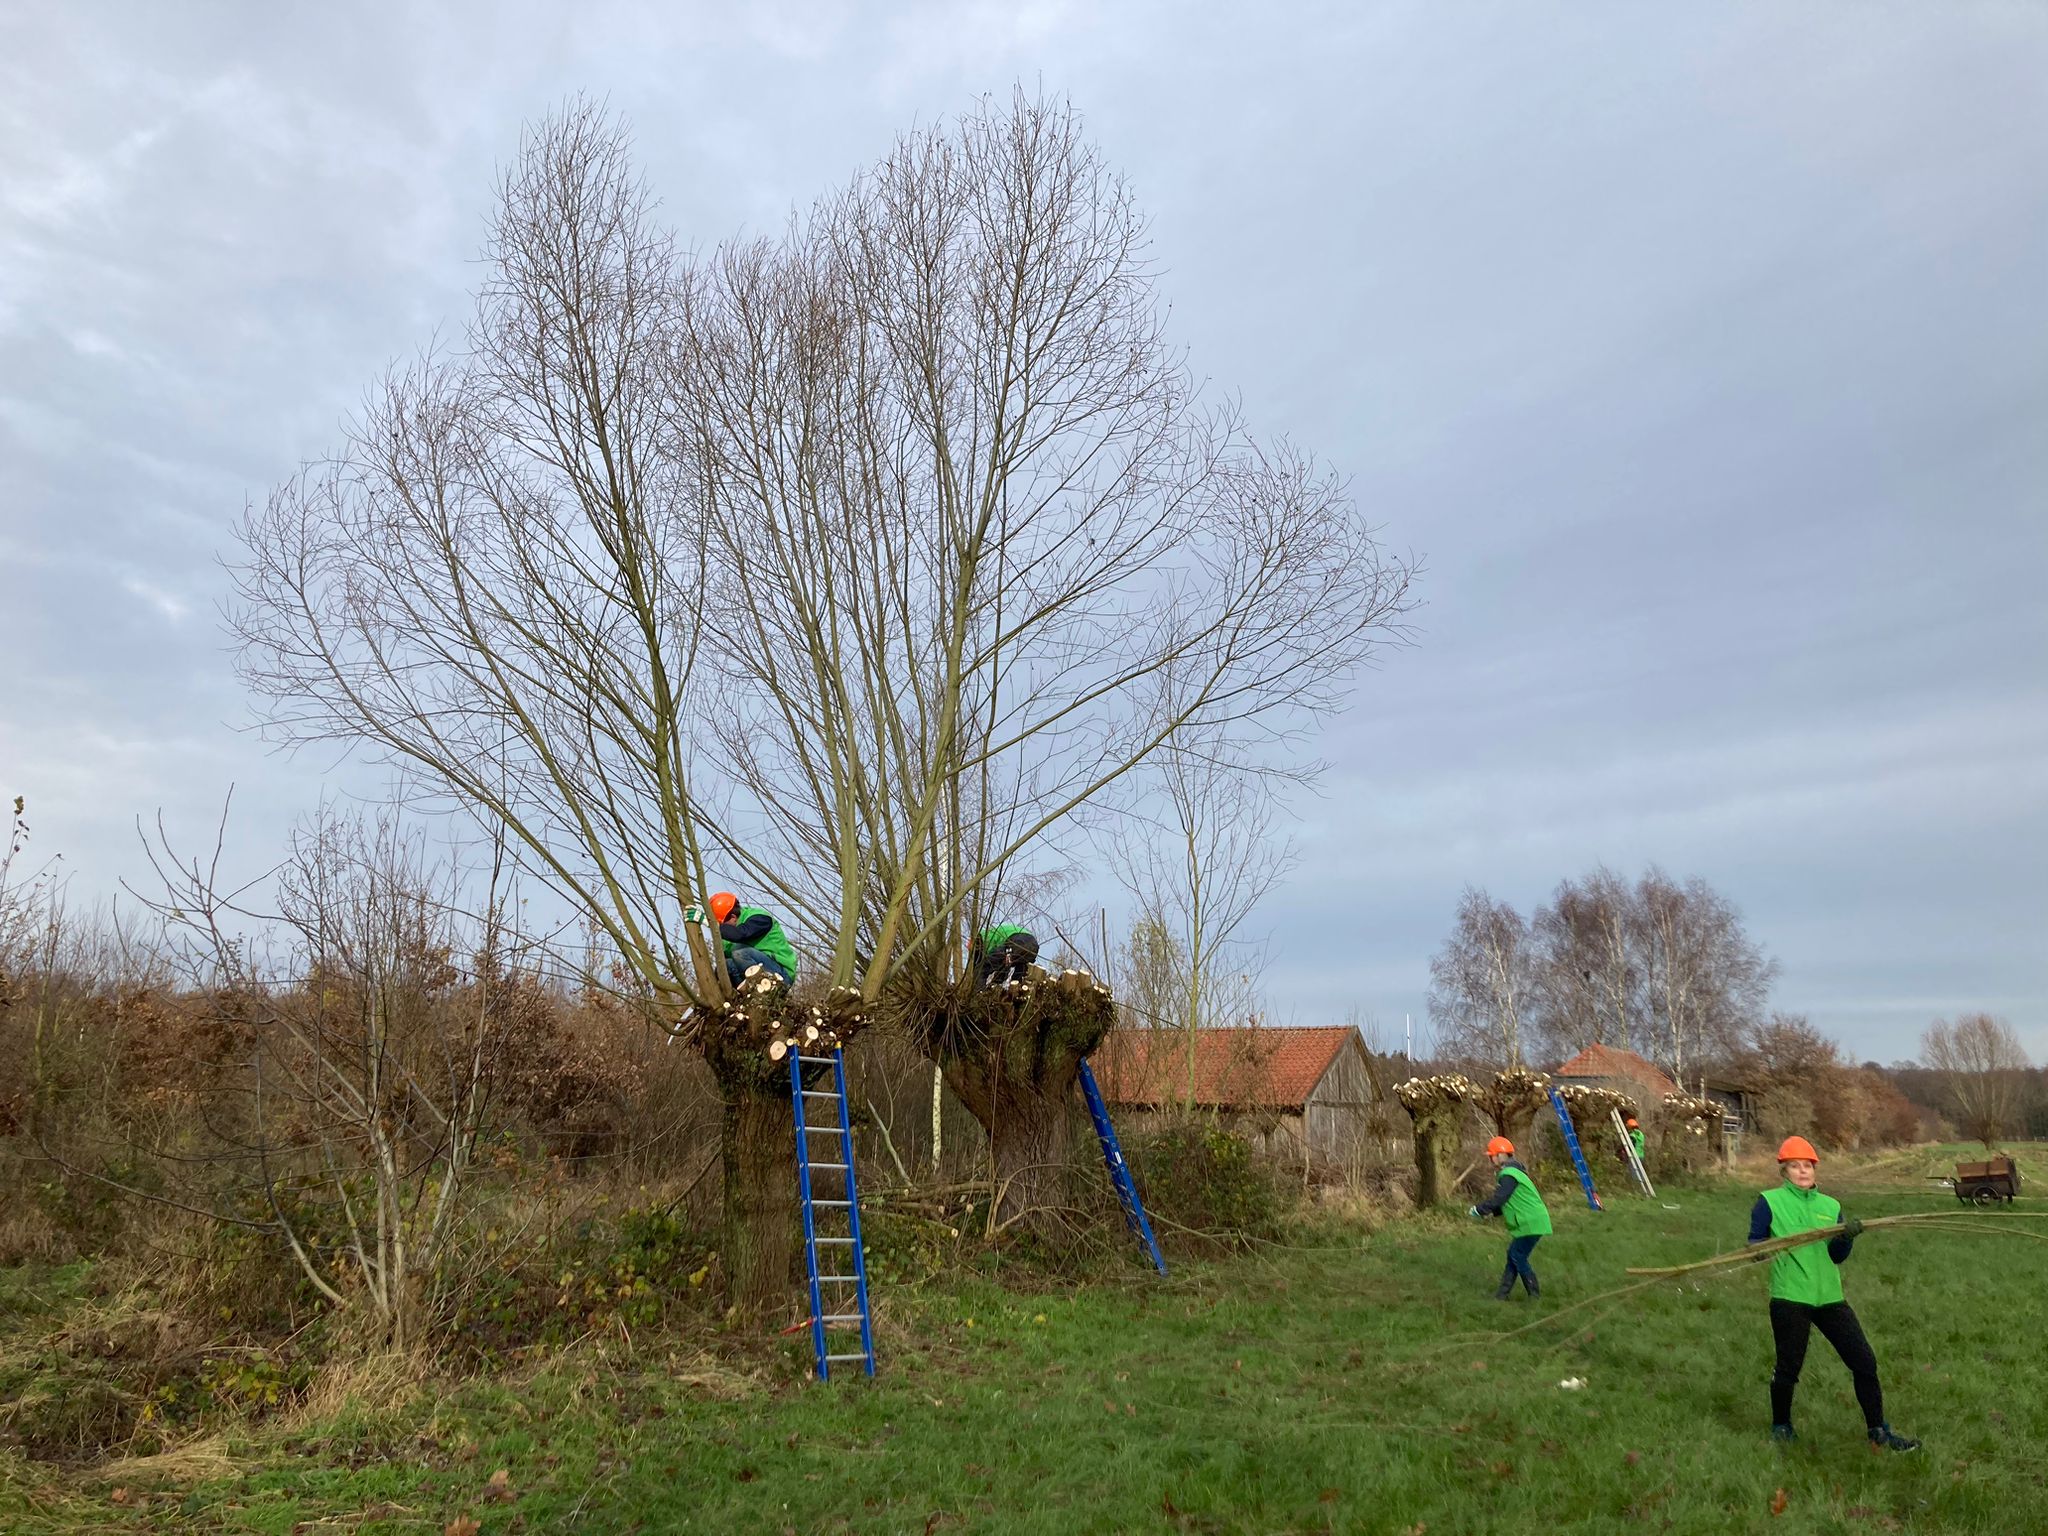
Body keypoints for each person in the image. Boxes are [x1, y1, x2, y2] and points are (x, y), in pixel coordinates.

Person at [1749, 1136, 1918, 1451]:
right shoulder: (1769, 1201)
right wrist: (1758, 1249)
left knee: (1864, 1361)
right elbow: (1756, 1242)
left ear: (1815, 1170)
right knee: (1789, 1366)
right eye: (1795, 1166)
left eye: (1807, 1166)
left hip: (1829, 1297)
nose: (1802, 1171)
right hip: (1790, 1296)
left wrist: (1847, 1238)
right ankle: (1781, 1426)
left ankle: (1878, 1430)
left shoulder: (1831, 1205)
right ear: (1783, 1171)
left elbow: (1837, 1256)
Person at [1468, 1135, 1551, 1300]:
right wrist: (1494, 1212)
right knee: (1513, 1255)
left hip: (1530, 1222)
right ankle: (1502, 1295)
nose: (1491, 1159)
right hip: (1531, 1221)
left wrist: (1479, 1209)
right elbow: (1510, 1200)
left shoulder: (1508, 1174)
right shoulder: (1515, 1172)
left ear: (1500, 1155)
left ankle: (1534, 1294)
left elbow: (1499, 1198)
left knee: (1517, 1255)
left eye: (1491, 1156)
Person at [704, 891, 797, 989]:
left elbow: (741, 934)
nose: (723, 930)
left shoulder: (760, 918)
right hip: (752, 975)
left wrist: (713, 926)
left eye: (723, 925)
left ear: (733, 917)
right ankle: (744, 995)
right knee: (725, 965)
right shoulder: (727, 939)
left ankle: (761, 987)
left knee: (740, 952)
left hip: (781, 974)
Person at [972, 924, 1040, 987]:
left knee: (981, 969)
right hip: (1033, 946)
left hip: (1017, 941)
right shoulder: (993, 933)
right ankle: (1014, 994)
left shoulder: (983, 936)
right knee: (1018, 977)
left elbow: (991, 962)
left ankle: (979, 994)